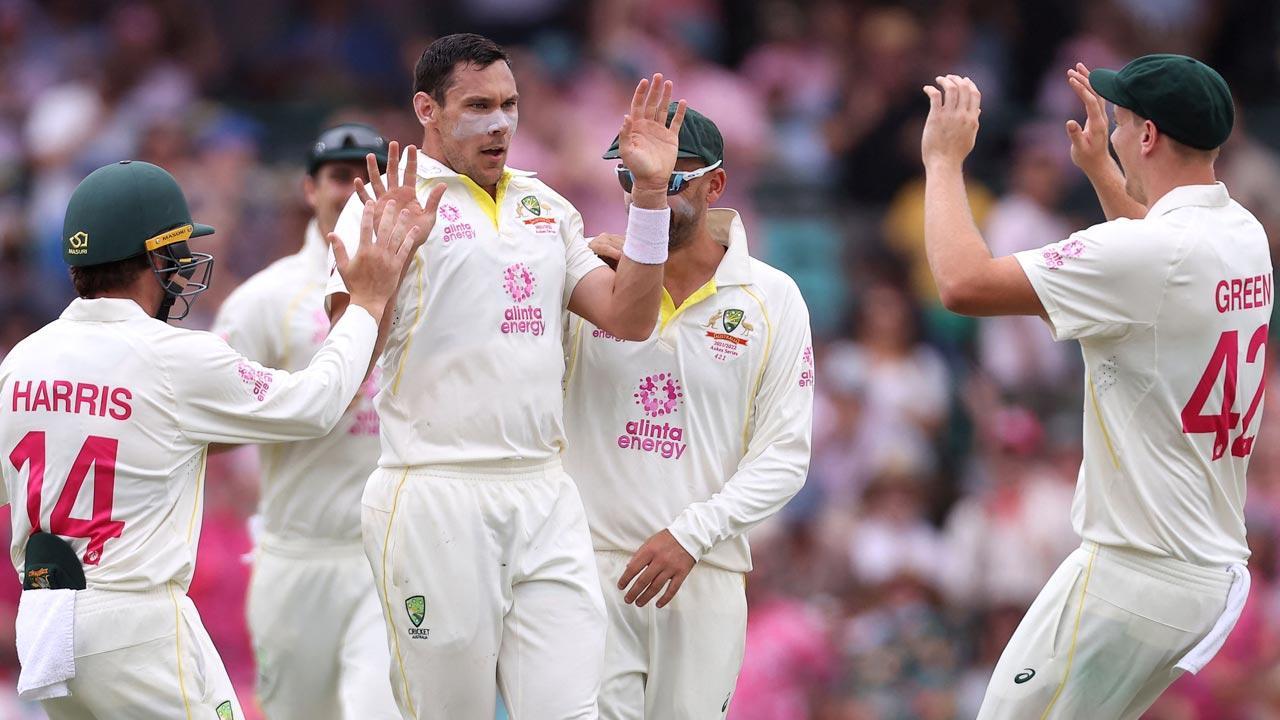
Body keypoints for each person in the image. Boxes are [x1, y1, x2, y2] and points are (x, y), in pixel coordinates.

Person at [324, 33, 685, 719]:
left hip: (544, 494)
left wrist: (649, 195)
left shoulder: (546, 207)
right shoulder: (388, 204)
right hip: (434, 490)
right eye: (478, 105)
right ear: (426, 109)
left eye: (510, 105)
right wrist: (383, 277)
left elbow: (630, 317)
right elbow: (348, 368)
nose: (500, 124)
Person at [0, 159, 425, 719]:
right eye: (174, 253)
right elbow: (318, 404)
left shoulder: (22, 360)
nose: (182, 267)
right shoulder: (175, 356)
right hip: (138, 621)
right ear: (154, 258)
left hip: (47, 628)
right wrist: (368, 303)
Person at [919, 54, 1271, 719]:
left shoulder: (1150, 254)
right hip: (1196, 575)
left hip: (1132, 573)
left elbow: (962, 284)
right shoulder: (1241, 231)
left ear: (1148, 137)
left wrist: (943, 159)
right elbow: (1154, 261)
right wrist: (1105, 172)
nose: (1110, 124)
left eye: (1123, 118)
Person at [562, 104, 813, 719]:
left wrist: (691, 535)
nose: (649, 191)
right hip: (587, 569)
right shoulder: (588, 281)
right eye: (631, 177)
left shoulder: (771, 296)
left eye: (673, 177)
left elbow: (784, 457)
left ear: (715, 184)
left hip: (702, 573)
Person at [212, 124, 398, 720]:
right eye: (339, 177)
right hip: (298, 553)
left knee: (378, 709)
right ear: (308, 190)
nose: (353, 190)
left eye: (367, 176)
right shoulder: (265, 300)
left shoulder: (426, 285)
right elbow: (212, 424)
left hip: (389, 552)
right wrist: (298, 407)